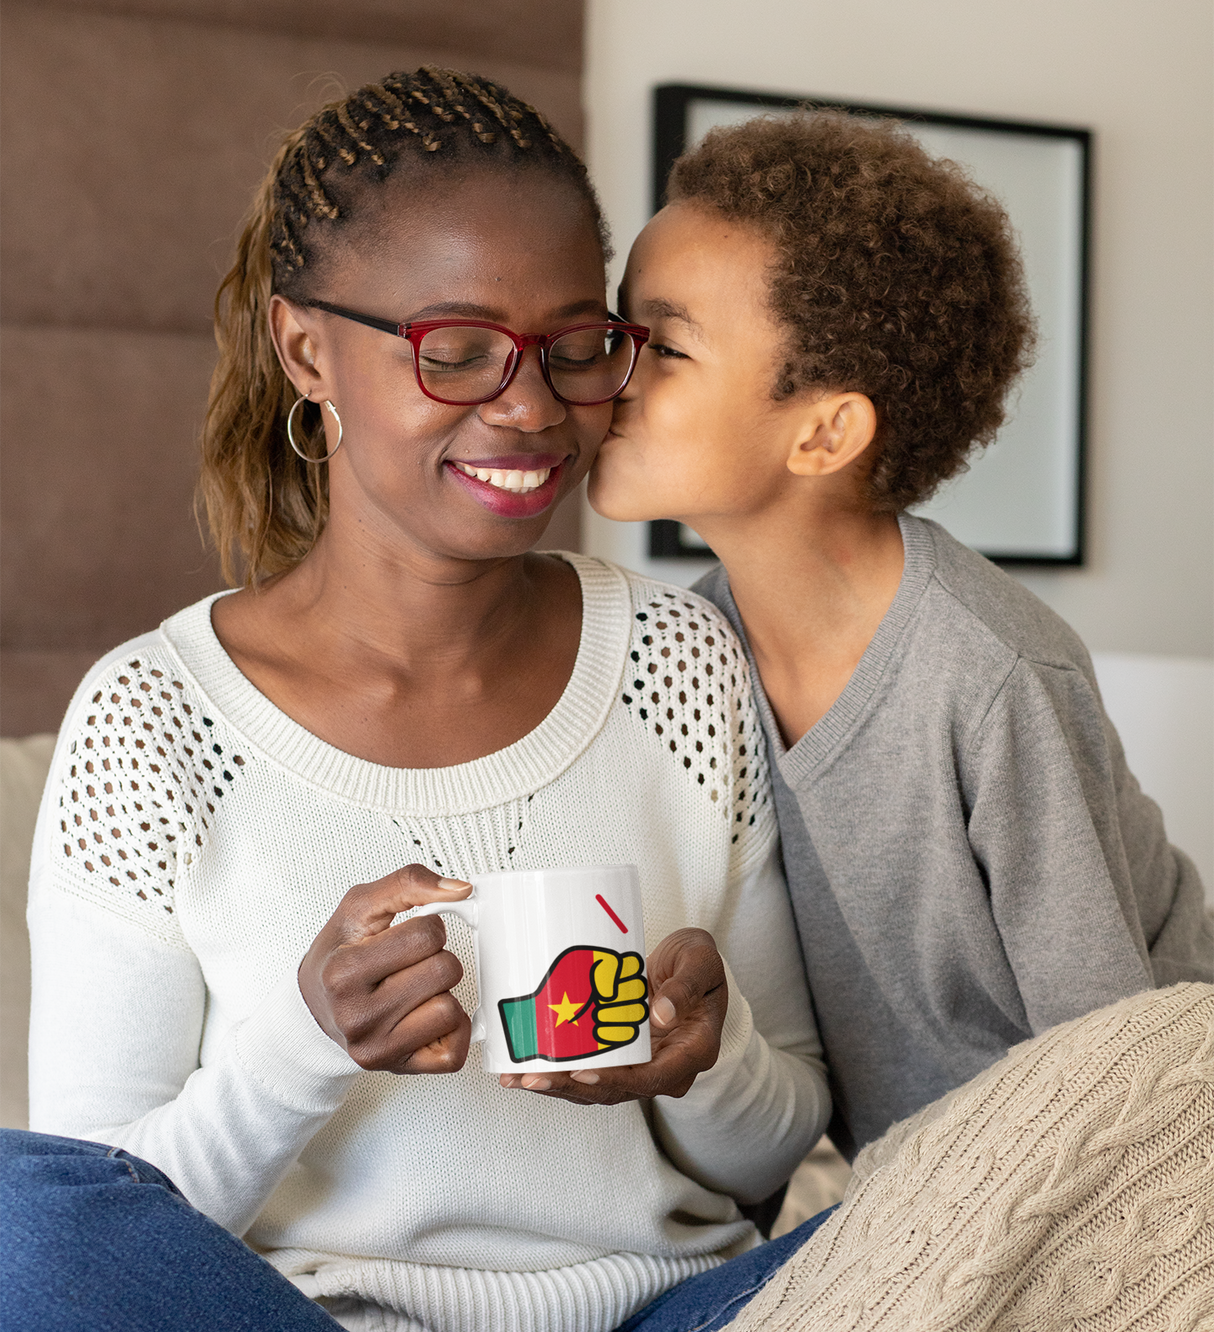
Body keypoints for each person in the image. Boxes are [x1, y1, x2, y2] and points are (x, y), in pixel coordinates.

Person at [1, 70, 831, 1332]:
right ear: (305, 349)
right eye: (455, 351)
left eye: (574, 348)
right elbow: (93, 1217)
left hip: (669, 1314)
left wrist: (706, 1062)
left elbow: (780, 1144)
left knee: (1046, 1148)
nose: (531, 408)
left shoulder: (679, 661)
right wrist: (303, 1042)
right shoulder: (152, 721)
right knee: (19, 1211)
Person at [590, 110, 1214, 1164]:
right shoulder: (686, 654)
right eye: (619, 331)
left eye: (668, 347)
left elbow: (1111, 1070)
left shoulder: (993, 672)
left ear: (825, 431)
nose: (611, 370)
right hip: (901, 1180)